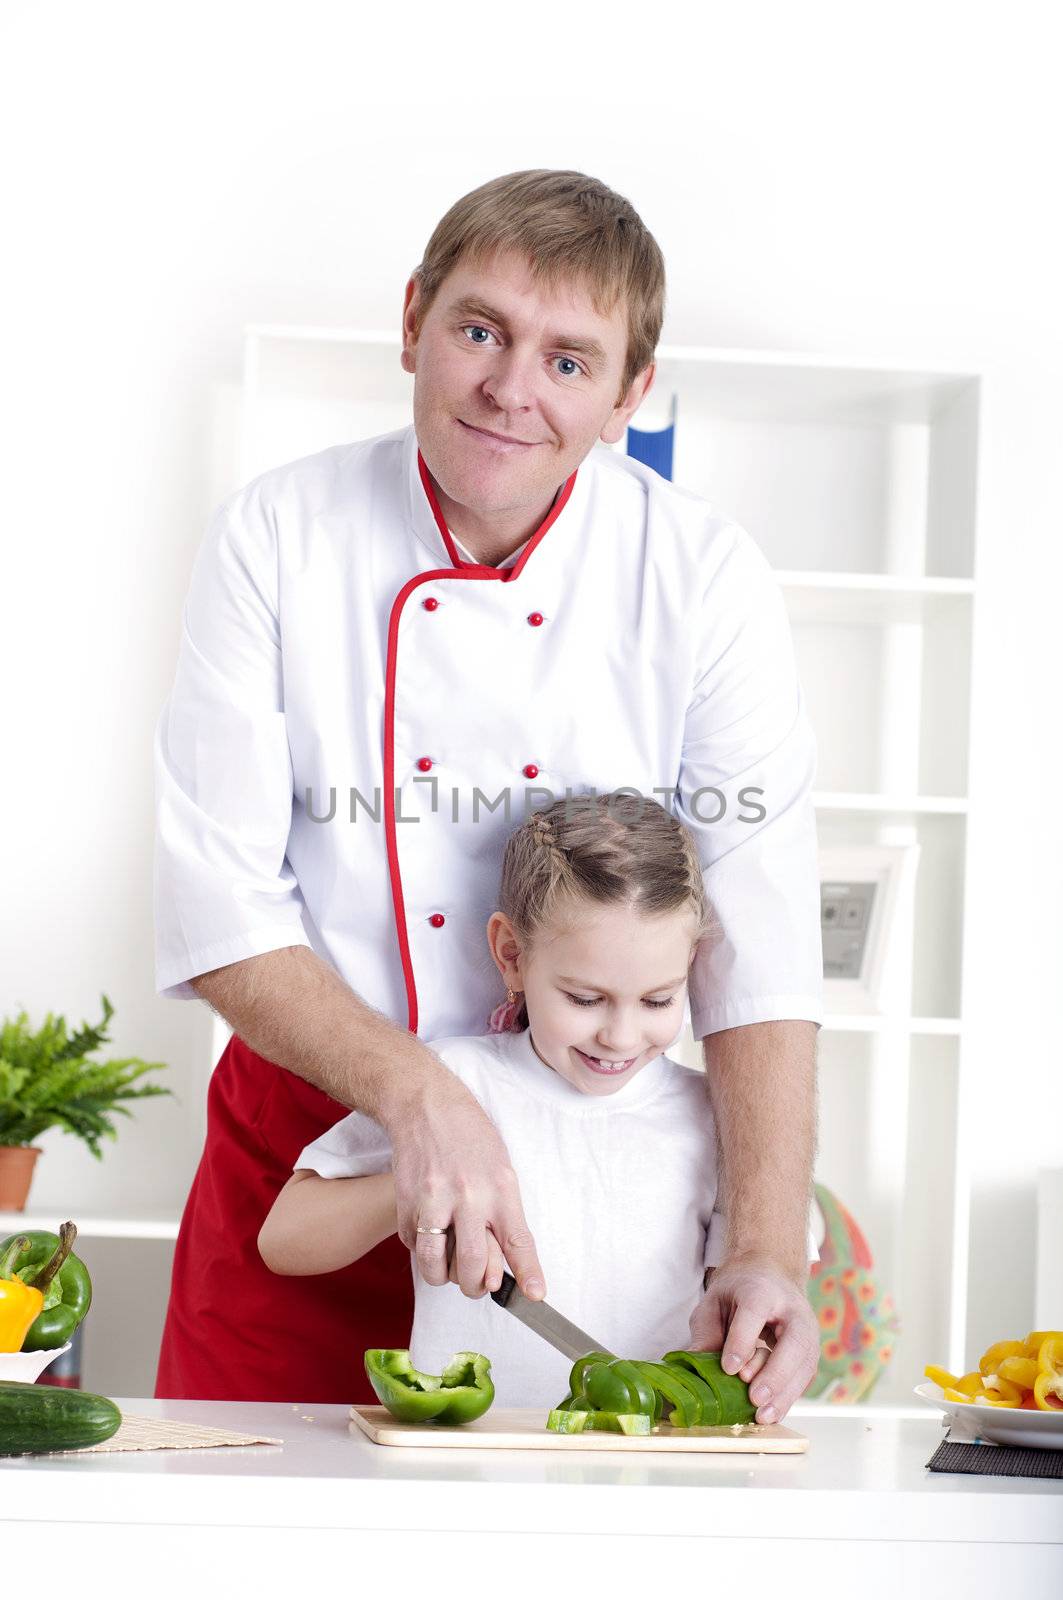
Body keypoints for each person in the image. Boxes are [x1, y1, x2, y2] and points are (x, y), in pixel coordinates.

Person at [153, 168, 823, 1421]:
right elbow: (220, 910)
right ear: (411, 320)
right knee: (238, 1528)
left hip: (568, 1195)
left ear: (630, 394)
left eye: (570, 361)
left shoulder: (701, 575)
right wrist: (423, 1098)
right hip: (312, 1156)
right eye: (479, 331)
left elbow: (762, 939)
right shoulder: (275, 536)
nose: (512, 390)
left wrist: (764, 1241)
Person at [258, 794, 792, 1407]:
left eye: (657, 1000)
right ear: (511, 955)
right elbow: (284, 1242)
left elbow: (762, 1291)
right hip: (467, 1458)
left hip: (648, 1456)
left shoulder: (713, 1116)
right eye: (585, 999)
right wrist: (425, 1183)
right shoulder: (453, 1083)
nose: (619, 1036)